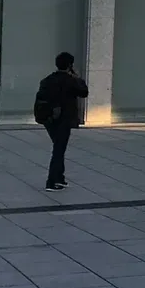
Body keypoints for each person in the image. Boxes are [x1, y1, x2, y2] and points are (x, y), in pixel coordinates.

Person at [34, 52, 88, 191]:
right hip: (64, 118)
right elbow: (84, 92)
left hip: (48, 118)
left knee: (59, 147)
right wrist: (76, 76)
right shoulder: (70, 81)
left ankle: (60, 177)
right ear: (70, 65)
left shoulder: (47, 80)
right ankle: (51, 181)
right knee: (58, 150)